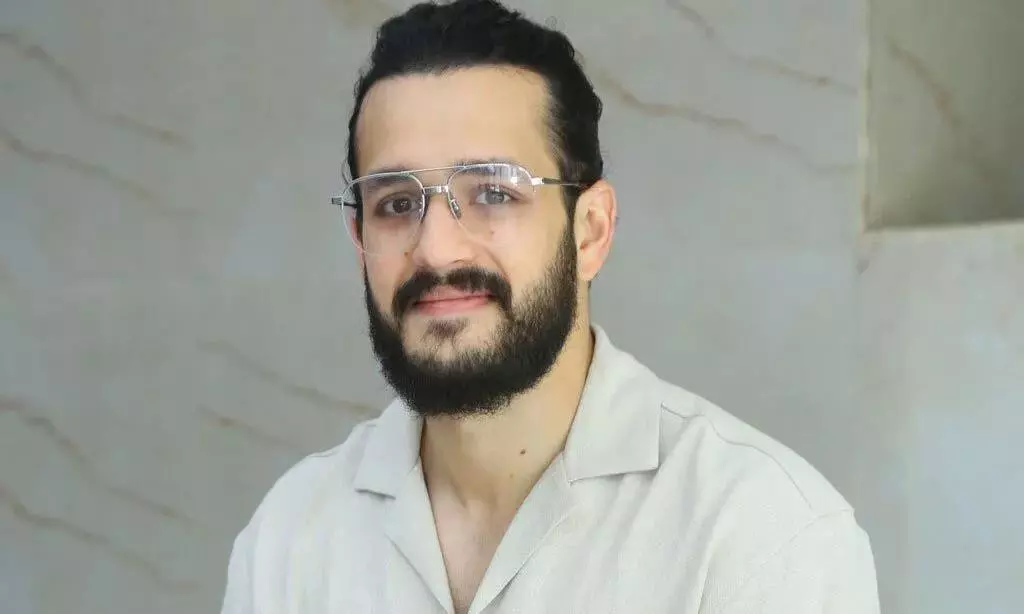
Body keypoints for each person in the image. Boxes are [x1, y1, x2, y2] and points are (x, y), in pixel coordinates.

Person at [220, 1, 880, 612]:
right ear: (359, 238)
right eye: (396, 203)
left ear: (590, 231)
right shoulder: (290, 537)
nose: (436, 249)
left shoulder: (760, 537)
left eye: (494, 193)